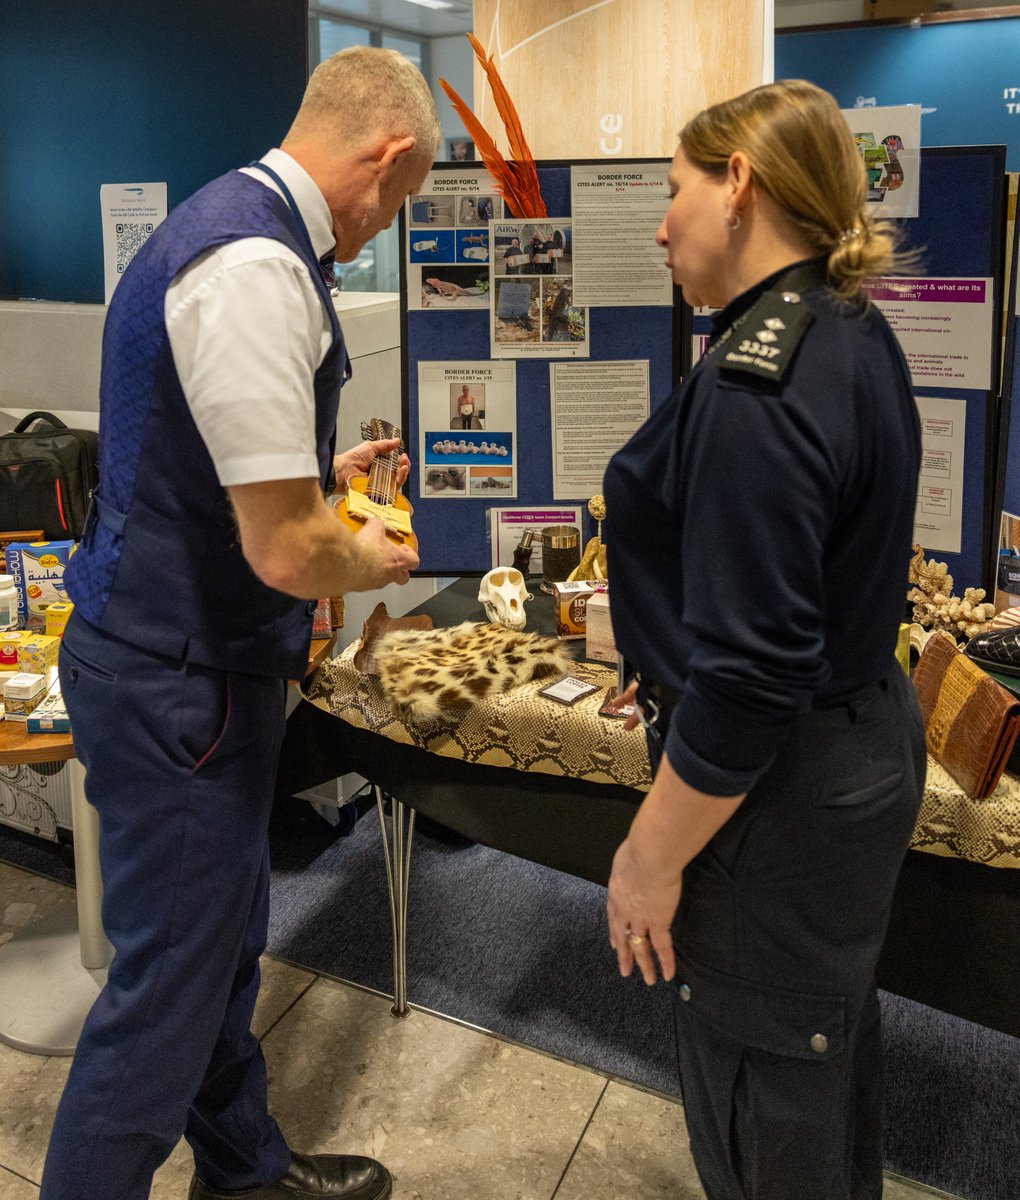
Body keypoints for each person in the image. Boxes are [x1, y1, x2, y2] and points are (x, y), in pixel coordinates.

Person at [40, 46, 439, 1200]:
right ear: (388, 154)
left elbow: (207, 462)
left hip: (170, 663)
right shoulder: (259, 268)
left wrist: (323, 470)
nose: (376, 232)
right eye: (397, 204)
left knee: (211, 954)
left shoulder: (221, 222)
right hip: (184, 682)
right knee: (163, 999)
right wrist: (361, 550)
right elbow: (282, 549)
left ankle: (247, 1173)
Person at [602, 79, 925, 1200]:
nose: (659, 221)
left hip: (772, 797)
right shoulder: (846, 327)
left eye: (673, 187)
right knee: (821, 1064)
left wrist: (648, 858)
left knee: (768, 1100)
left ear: (737, 184)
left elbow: (748, 681)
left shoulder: (759, 384)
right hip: (851, 747)